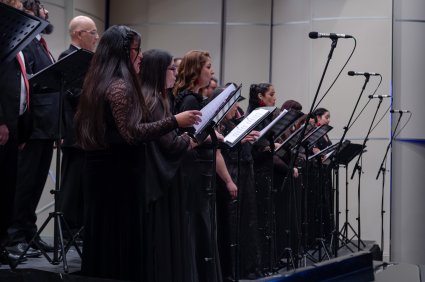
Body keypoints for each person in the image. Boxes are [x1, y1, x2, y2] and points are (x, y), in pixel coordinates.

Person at [74, 25, 200, 281]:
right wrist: (175, 121)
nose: (140, 56)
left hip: (103, 171)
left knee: (104, 244)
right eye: (136, 50)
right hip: (119, 176)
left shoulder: (98, 82)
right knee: (120, 245)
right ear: (122, 52)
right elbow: (131, 133)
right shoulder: (119, 86)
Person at [173, 50, 236, 282]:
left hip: (195, 167)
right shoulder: (190, 99)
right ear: (196, 70)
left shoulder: (188, 96)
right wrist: (215, 138)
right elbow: (187, 138)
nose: (212, 71)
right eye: (208, 66)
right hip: (194, 168)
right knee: (199, 227)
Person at [139, 48, 197, 282]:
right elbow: (169, 145)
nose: (175, 73)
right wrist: (192, 139)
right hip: (159, 182)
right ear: (157, 71)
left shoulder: (153, 97)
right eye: (171, 69)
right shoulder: (154, 100)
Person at [7, 0, 56, 257]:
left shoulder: (39, 43)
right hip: (32, 124)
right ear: (32, 13)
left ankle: (28, 232)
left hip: (46, 125)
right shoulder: (25, 41)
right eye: (41, 8)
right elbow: (26, 83)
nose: (46, 12)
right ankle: (15, 235)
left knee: (35, 184)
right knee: (24, 184)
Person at [56, 15, 99, 243]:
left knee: (81, 183)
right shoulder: (69, 58)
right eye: (92, 33)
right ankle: (69, 230)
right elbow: (71, 94)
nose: (96, 37)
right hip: (74, 133)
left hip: (84, 131)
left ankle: (77, 229)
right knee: (72, 184)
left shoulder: (84, 58)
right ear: (78, 34)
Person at [213, 88, 261, 280]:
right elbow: (220, 153)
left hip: (239, 173)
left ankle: (245, 267)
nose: (236, 107)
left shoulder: (231, 123)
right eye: (232, 104)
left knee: (244, 222)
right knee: (230, 225)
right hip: (229, 176)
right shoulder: (219, 125)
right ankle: (231, 270)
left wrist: (242, 140)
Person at [0, 0, 32, 266]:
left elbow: (21, 88)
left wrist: (21, 129)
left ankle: (3, 243)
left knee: (9, 187)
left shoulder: (19, 42)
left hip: (15, 125)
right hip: (3, 124)